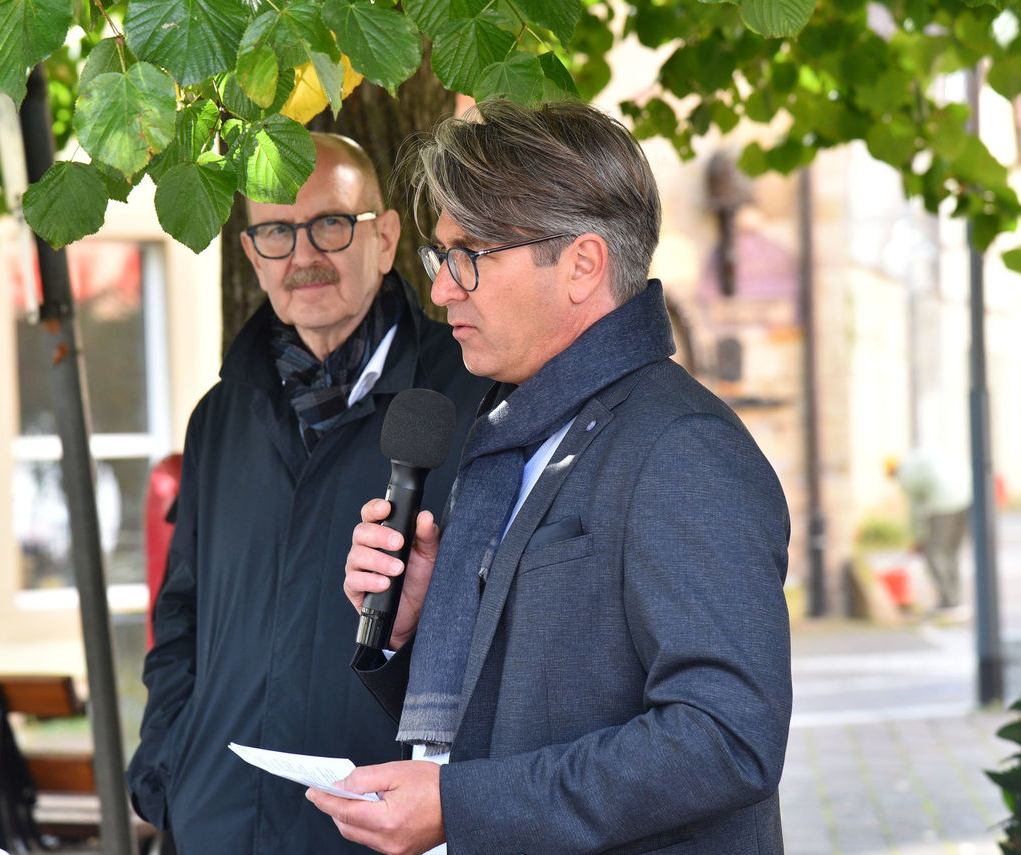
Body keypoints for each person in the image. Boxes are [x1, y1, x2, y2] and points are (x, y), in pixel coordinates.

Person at [310, 100, 793, 855]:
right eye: (440, 256)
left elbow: (727, 737)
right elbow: (515, 713)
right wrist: (418, 626)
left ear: (582, 264)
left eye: (469, 253)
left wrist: (460, 804)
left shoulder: (682, 447)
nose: (441, 290)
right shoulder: (510, 435)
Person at [125, 133, 488, 854]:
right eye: (276, 233)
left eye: (330, 224)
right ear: (253, 254)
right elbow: (182, 617)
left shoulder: (469, 398)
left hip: (381, 828)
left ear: (384, 239)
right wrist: (169, 767)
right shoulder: (221, 417)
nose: (303, 255)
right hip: (217, 820)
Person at [886, 449, 972, 611]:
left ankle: (949, 600)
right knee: (950, 551)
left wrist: (918, 539)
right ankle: (955, 598)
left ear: (892, 471)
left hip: (943, 504)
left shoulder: (906, 475)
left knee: (934, 553)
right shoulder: (916, 461)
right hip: (965, 497)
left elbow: (916, 511)